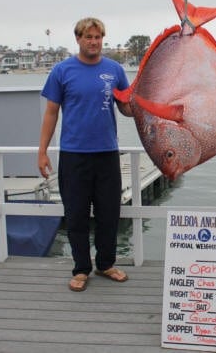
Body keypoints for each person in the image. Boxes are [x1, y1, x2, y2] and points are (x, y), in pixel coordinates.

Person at [38, 17, 133, 292]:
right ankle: (81, 269)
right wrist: (42, 151)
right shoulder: (62, 71)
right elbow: (51, 113)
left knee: (109, 214)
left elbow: (126, 109)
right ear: (78, 39)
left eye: (98, 37)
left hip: (107, 154)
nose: (94, 42)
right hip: (73, 154)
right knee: (76, 215)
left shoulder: (115, 70)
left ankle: (106, 264)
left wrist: (138, 104)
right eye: (89, 37)